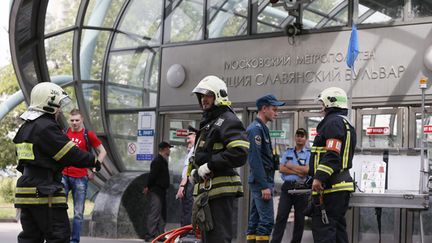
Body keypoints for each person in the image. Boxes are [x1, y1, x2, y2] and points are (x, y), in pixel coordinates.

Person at [13, 82, 101, 243]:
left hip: (25, 191)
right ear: (49, 103)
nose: (60, 109)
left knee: (30, 238)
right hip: (45, 192)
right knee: (58, 237)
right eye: (58, 104)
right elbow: (70, 154)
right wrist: (93, 161)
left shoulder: (25, 127)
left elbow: (21, 161)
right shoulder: (46, 126)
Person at [189, 75, 249, 243]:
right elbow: (204, 153)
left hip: (220, 192)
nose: (203, 99)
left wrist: (209, 166)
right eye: (201, 96)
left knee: (219, 239)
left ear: (219, 96)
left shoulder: (228, 120)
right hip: (209, 192)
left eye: (208, 95)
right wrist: (196, 171)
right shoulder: (211, 122)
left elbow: (240, 152)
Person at [309, 87, 356, 243]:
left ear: (330, 103)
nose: (321, 108)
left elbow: (332, 155)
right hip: (340, 186)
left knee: (325, 232)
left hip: (331, 188)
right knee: (338, 232)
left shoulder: (333, 122)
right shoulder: (345, 123)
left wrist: (318, 178)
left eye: (322, 104)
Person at [62, 108, 107, 243]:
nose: (74, 123)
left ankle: (74, 241)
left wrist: (94, 169)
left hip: (80, 177)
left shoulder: (88, 134)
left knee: (78, 213)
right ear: (69, 121)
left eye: (77, 120)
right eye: (72, 120)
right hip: (63, 175)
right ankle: (61, 237)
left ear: (82, 120)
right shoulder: (64, 133)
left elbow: (102, 151)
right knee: (58, 208)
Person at [246, 94, 285, 243]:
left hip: (263, 179)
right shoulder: (255, 129)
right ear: (264, 108)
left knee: (255, 222)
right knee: (267, 221)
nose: (276, 113)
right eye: (274, 109)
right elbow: (255, 160)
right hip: (261, 181)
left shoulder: (262, 128)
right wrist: (264, 186)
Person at [271, 128, 310, 243]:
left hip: (301, 188)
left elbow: (307, 170)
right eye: (297, 135)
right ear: (295, 137)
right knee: (281, 217)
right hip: (287, 187)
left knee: (300, 219)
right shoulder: (288, 152)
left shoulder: (308, 154)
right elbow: (281, 168)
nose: (299, 138)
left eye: (302, 136)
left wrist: (290, 166)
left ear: (306, 139)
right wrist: (298, 171)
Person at [143, 141, 172, 242]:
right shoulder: (157, 161)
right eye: (168, 148)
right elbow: (152, 176)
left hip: (162, 191)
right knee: (154, 213)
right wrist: (147, 186)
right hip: (156, 191)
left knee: (161, 214)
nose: (169, 150)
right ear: (164, 149)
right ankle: (149, 235)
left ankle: (160, 235)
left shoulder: (163, 161)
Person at [176, 125, 197, 226]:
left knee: (188, 210)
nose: (187, 141)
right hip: (187, 184)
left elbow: (189, 171)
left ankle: (186, 234)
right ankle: (183, 234)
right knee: (186, 210)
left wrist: (182, 186)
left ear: (195, 136)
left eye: (189, 138)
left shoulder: (195, 151)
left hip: (190, 184)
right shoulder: (191, 151)